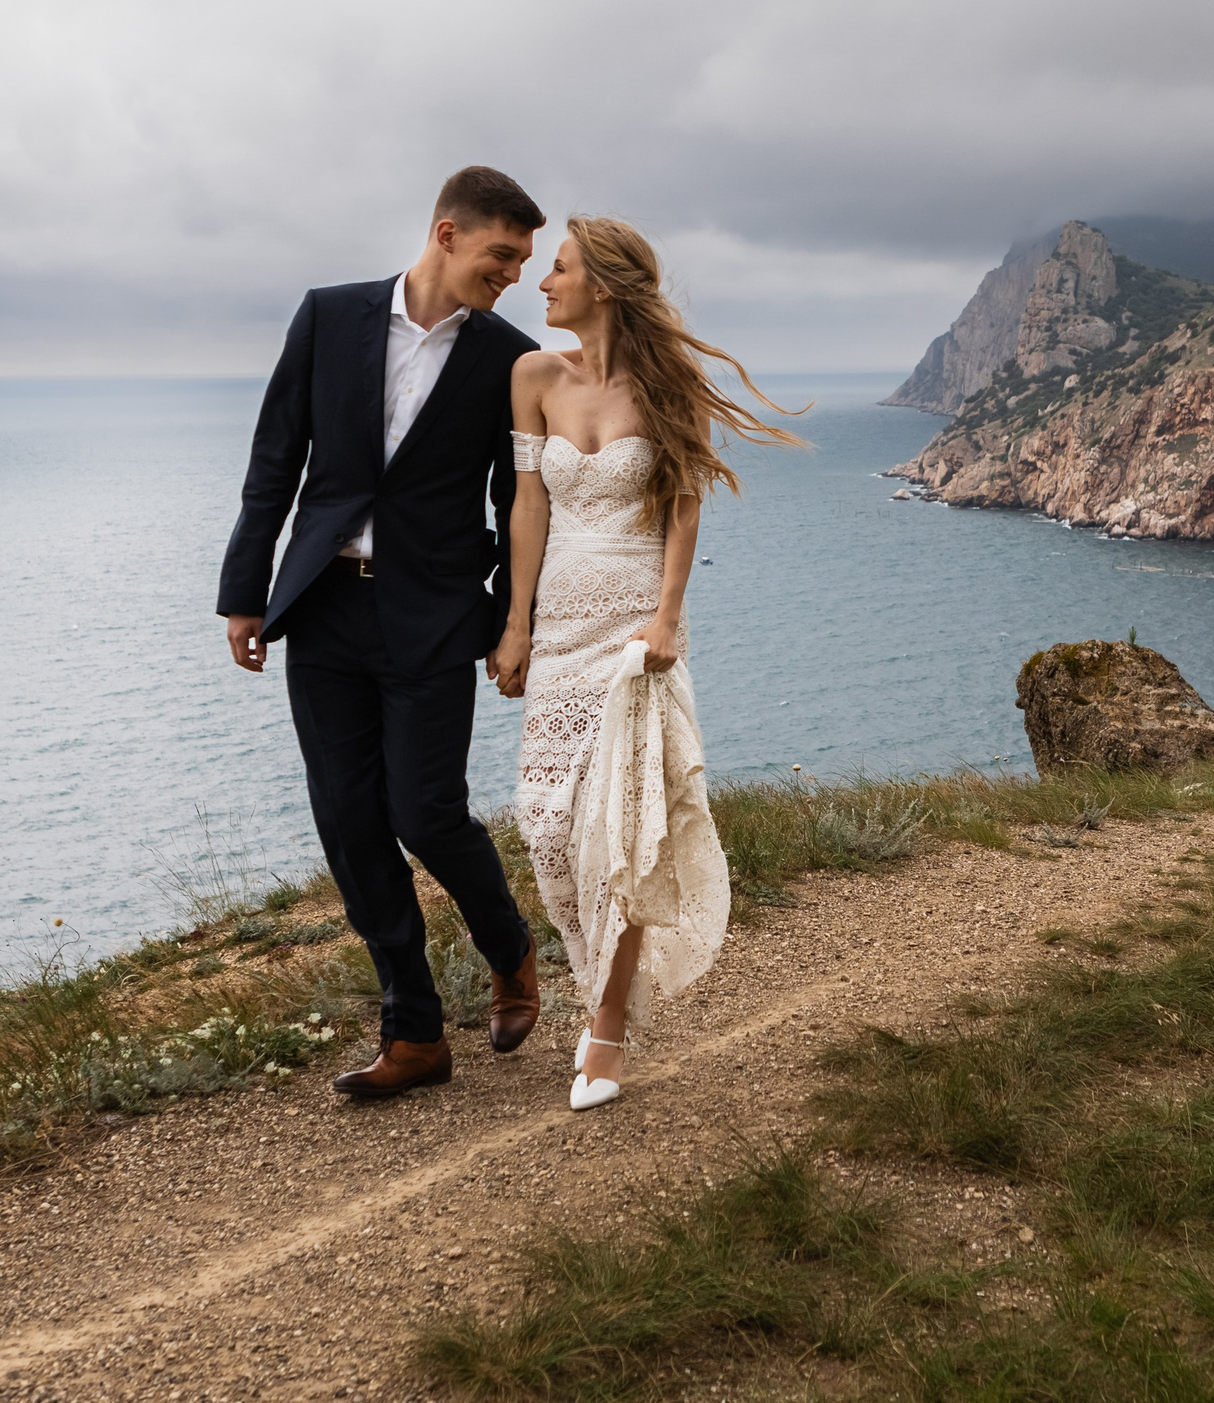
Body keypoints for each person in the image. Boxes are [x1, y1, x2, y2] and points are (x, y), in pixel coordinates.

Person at [216, 165, 547, 1099]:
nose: (513, 274)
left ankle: (510, 948)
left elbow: (520, 500)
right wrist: (246, 593)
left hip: (435, 616)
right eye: (502, 254)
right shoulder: (328, 316)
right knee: (350, 824)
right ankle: (415, 1035)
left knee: (425, 812)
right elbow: (274, 458)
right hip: (322, 607)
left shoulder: (510, 359)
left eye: (523, 260)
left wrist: (508, 621)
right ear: (447, 234)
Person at [488, 215, 801, 1111]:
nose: (542, 284)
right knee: (548, 826)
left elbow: (683, 509)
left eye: (559, 269)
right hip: (558, 632)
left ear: (606, 286)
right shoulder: (532, 376)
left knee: (621, 830)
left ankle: (607, 1030)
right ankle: (598, 986)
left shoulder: (667, 385)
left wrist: (666, 619)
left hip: (634, 633)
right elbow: (527, 507)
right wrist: (516, 624)